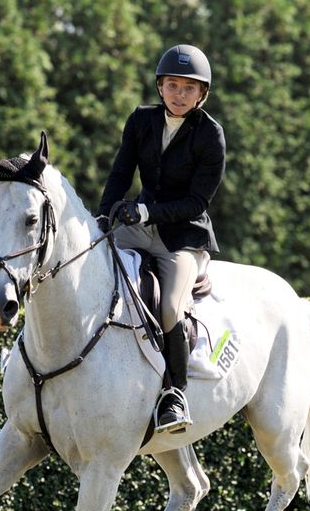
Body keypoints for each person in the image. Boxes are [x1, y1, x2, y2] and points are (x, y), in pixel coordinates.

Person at [96, 43, 226, 432]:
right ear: (160, 87)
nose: (180, 94)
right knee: (90, 269)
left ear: (202, 94)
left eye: (189, 88)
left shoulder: (210, 135)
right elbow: (121, 173)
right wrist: (105, 215)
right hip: (139, 226)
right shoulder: (141, 121)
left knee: (169, 307)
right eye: (173, 85)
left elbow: (196, 201)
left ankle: (176, 394)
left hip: (183, 237)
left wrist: (146, 211)